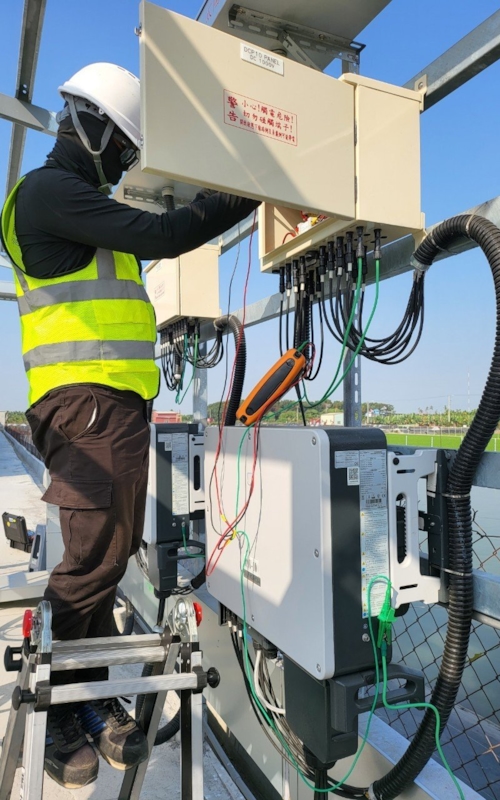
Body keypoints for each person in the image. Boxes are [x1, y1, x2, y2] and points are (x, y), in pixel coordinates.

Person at [0, 62, 260, 789]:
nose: (122, 167)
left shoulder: (73, 200)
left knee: (106, 557)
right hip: (87, 406)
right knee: (92, 563)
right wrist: (252, 188)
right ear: (91, 127)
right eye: (122, 150)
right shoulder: (50, 191)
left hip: (103, 408)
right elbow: (172, 233)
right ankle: (57, 713)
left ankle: (85, 704)